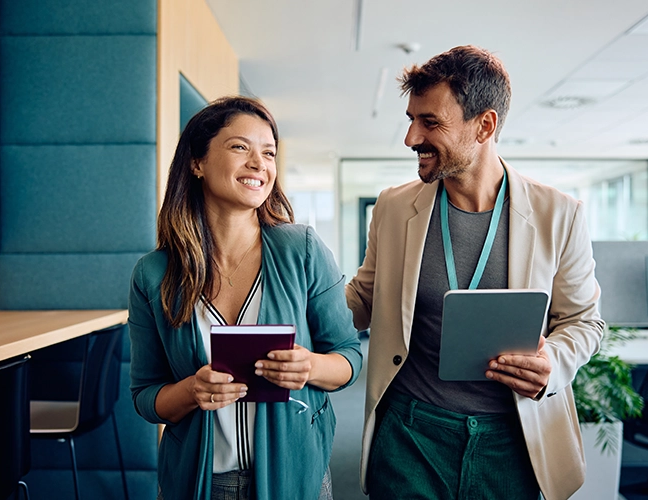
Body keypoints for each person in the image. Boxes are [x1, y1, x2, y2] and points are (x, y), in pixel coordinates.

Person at [346, 46, 604, 500]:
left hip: (515, 438)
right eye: (411, 119)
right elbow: (361, 301)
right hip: (411, 432)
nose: (410, 138)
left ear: (484, 125)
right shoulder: (393, 206)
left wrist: (554, 363)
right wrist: (294, 283)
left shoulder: (558, 214)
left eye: (430, 122)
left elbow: (585, 322)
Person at [129, 96, 363, 500]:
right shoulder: (153, 273)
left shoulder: (301, 249)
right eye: (240, 147)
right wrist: (190, 391)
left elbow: (349, 357)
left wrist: (309, 367)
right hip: (201, 483)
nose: (260, 163)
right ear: (197, 162)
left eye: (269, 152)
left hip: (296, 475)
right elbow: (146, 397)